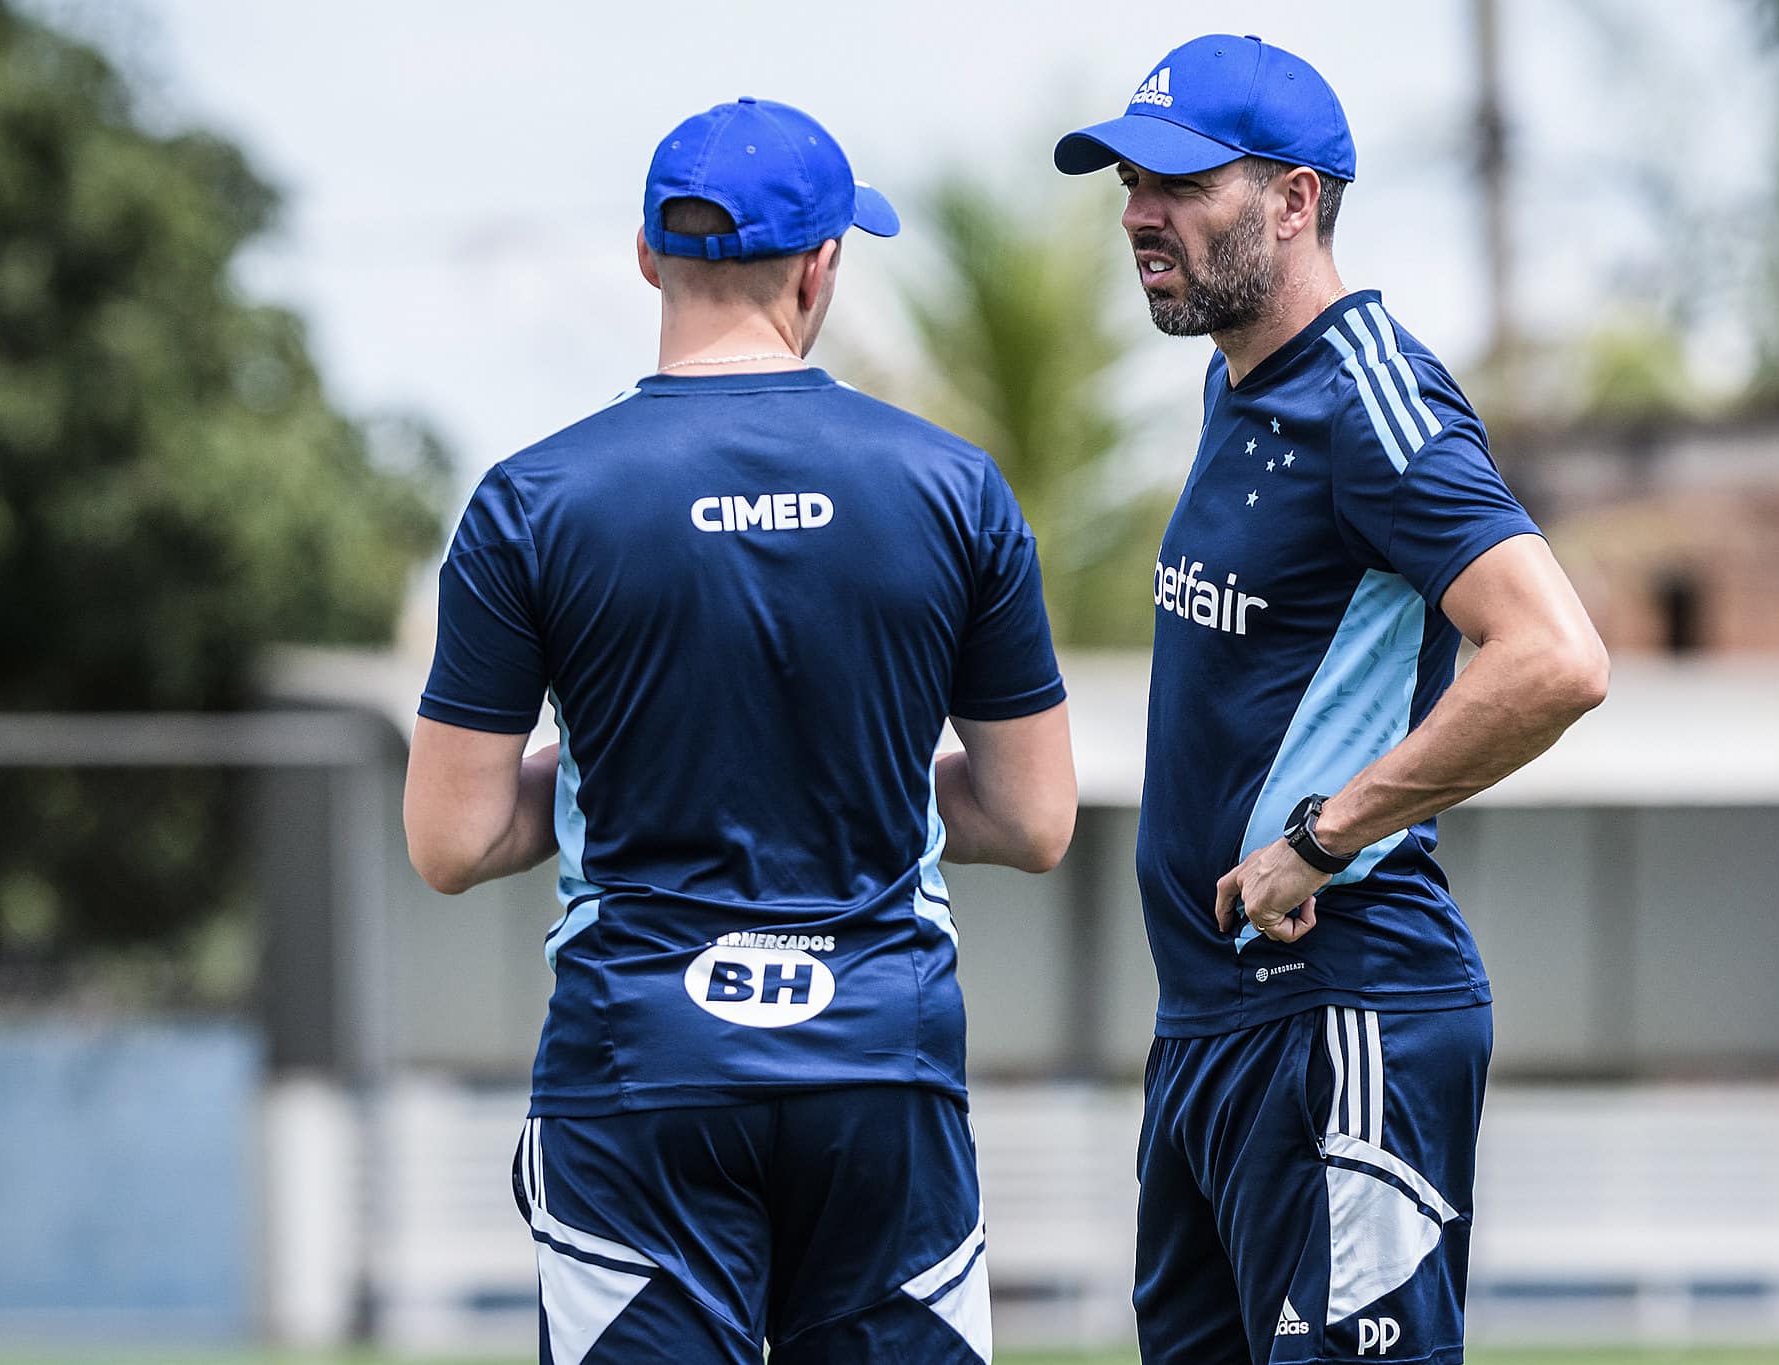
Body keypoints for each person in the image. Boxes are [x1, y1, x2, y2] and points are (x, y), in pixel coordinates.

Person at [403, 96, 1075, 1365]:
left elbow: (451, 837)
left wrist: (629, 758)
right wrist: (839, 765)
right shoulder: (950, 487)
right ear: (822, 266)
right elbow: (1032, 818)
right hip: (883, 1055)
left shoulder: (531, 501)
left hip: (637, 1061)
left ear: (649, 255)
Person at [1054, 35, 1608, 1365]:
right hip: (1211, 1029)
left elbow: (1554, 657)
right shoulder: (1235, 386)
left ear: (1296, 202)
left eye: (1182, 185)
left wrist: (1320, 838)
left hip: (1342, 1013)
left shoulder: (1374, 403)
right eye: (1132, 182)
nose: (1140, 213)